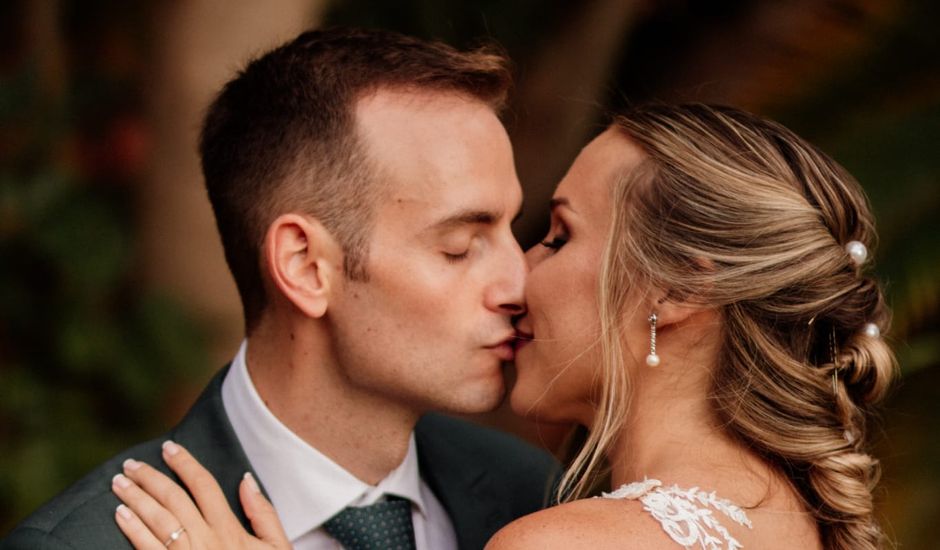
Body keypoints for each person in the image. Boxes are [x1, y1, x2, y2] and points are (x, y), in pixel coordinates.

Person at [107, 103, 897, 550]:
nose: (519, 276)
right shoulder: (800, 520)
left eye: (557, 236)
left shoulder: (560, 544)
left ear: (680, 287)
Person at [0, 27, 558, 550]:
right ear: (306, 265)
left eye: (512, 230)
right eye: (459, 245)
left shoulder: (536, 501)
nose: (519, 283)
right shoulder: (84, 542)